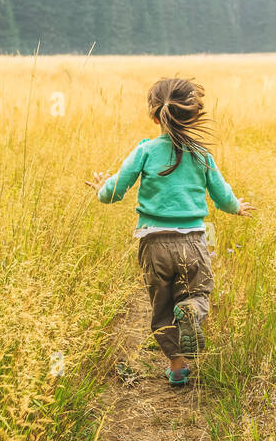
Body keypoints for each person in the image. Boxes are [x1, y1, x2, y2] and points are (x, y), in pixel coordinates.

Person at [91, 77, 253, 386]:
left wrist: (101, 189)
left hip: (153, 243)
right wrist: (237, 207)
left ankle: (177, 366)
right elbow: (222, 196)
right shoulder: (202, 155)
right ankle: (191, 310)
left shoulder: (145, 151)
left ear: (154, 116)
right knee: (198, 293)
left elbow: (114, 191)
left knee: (162, 307)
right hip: (192, 241)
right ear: (192, 115)